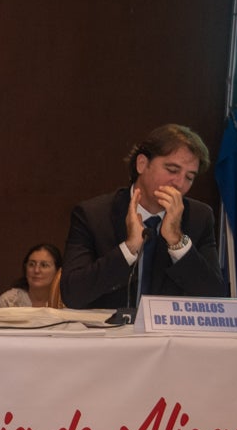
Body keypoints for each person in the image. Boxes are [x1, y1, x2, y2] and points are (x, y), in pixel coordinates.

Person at [60, 123, 224, 309]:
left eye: (189, 177)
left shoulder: (199, 217)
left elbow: (215, 298)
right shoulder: (94, 215)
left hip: (169, 336)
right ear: (142, 164)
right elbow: (72, 294)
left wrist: (177, 240)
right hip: (110, 335)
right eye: (172, 170)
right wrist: (129, 249)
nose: (179, 183)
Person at [0, 242, 64, 308]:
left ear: (58, 271)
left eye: (44, 265)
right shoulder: (9, 302)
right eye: (31, 264)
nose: (36, 270)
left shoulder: (65, 302)